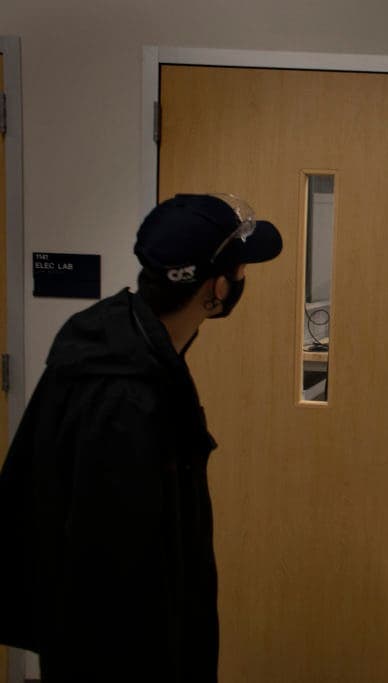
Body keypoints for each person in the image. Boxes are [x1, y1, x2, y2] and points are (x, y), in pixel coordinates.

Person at [0, 194, 282, 682]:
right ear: (214, 288)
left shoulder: (119, 341)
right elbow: (116, 581)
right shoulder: (128, 396)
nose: (242, 281)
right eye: (239, 271)